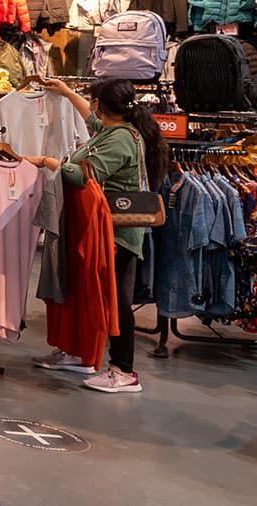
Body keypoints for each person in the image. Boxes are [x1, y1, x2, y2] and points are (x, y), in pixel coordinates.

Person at [25, 76, 169, 395]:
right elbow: (91, 120)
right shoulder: (115, 128)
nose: (91, 107)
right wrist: (65, 91)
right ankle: (80, 355)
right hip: (100, 229)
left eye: (94, 100)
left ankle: (123, 370)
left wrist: (48, 162)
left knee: (114, 301)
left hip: (116, 234)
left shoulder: (119, 139)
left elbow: (87, 174)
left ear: (104, 105)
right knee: (88, 295)